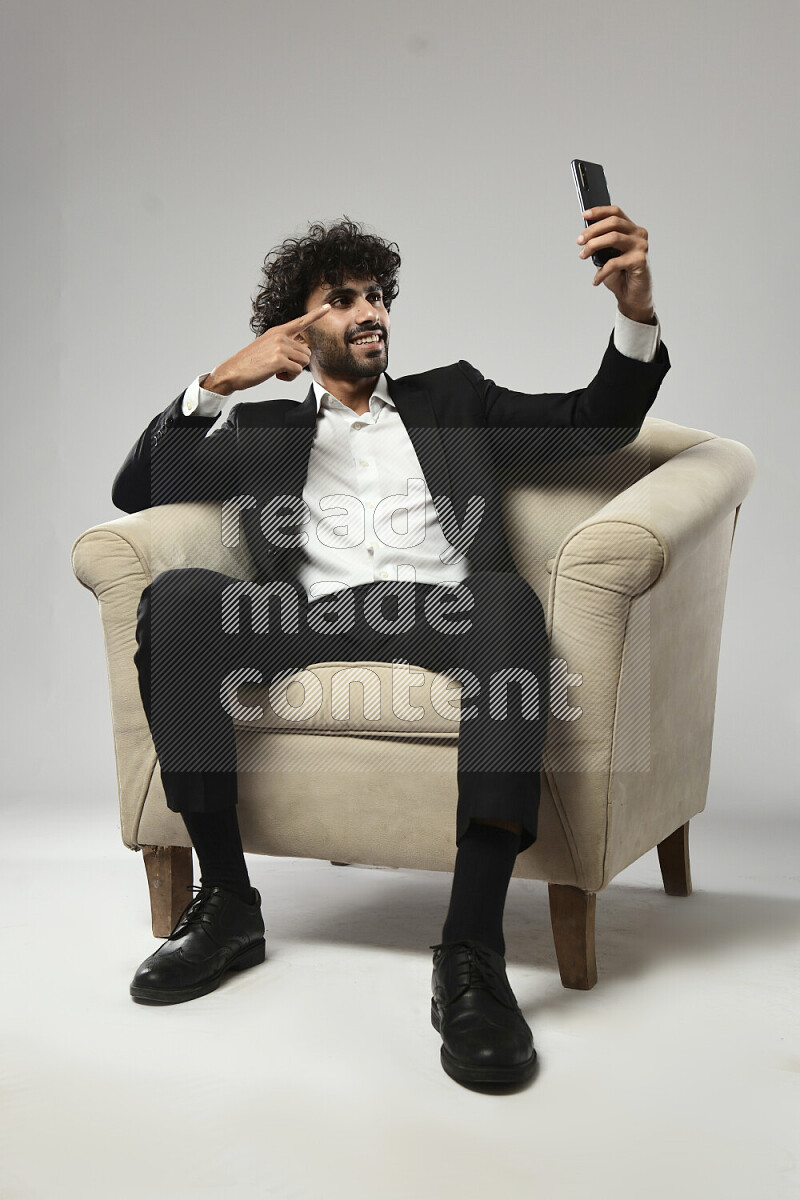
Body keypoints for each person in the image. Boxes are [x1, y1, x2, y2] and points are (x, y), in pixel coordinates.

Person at [112, 211, 670, 1089]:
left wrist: (634, 312)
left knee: (507, 606)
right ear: (296, 328)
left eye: (377, 295)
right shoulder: (263, 431)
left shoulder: (455, 398)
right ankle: (226, 902)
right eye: (343, 299)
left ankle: (472, 950)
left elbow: (595, 424)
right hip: (310, 615)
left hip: (440, 610)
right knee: (175, 601)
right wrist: (217, 385)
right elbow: (140, 490)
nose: (370, 311)